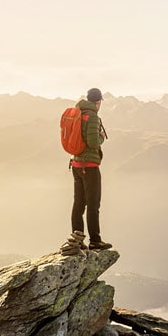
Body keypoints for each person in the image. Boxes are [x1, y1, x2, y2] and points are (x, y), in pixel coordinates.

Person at [68, 87, 112, 251]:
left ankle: (77, 239)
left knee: (79, 203)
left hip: (76, 164)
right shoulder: (92, 117)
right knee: (93, 204)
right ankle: (95, 240)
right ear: (98, 102)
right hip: (90, 167)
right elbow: (93, 142)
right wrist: (101, 136)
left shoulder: (78, 113)